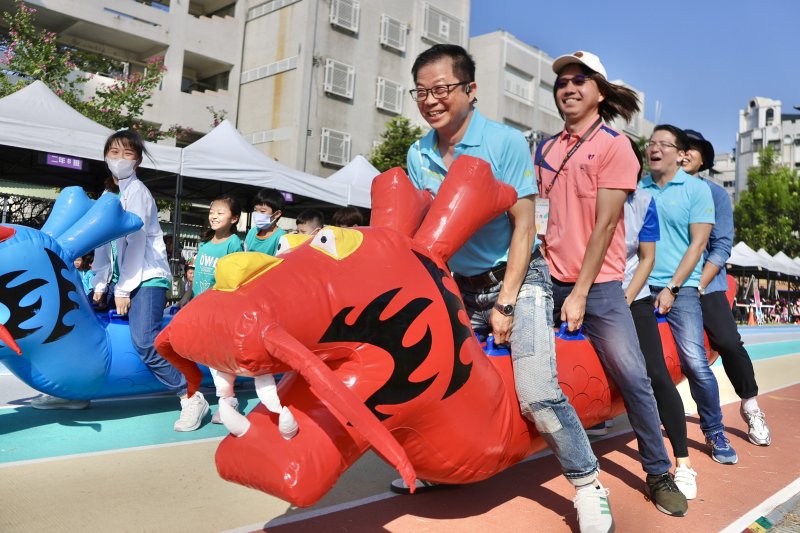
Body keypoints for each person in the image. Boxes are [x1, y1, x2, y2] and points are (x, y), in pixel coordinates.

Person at [396, 43, 615, 533]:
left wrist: (508, 302)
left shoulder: (505, 143)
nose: (431, 100)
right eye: (422, 92)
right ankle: (440, 468)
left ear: (470, 91)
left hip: (516, 278)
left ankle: (587, 484)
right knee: (433, 382)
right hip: (456, 285)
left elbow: (523, 228)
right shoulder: (417, 153)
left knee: (538, 392)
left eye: (442, 89)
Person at [537, 51, 686, 517]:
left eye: (580, 79)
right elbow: (539, 218)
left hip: (597, 285)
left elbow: (604, 227)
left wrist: (579, 292)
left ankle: (659, 471)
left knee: (635, 377)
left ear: (600, 91)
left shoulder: (616, 146)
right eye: (562, 80)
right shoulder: (544, 148)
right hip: (544, 278)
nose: (568, 87)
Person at [33, 130, 206, 431]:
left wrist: (124, 289)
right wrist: (100, 286)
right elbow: (103, 247)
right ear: (106, 157)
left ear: (137, 160)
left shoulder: (138, 192)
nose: (119, 159)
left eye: (127, 153)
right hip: (118, 280)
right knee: (74, 322)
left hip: (147, 278)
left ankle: (190, 395)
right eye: (114, 152)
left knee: (144, 341)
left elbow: (136, 244)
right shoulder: (109, 197)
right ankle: (75, 392)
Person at [639, 125, 737, 465]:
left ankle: (714, 430)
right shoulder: (638, 189)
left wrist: (673, 288)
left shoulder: (698, 190)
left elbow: (698, 245)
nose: (654, 148)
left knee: (695, 362)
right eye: (651, 142)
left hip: (679, 289)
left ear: (681, 155)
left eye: (663, 144)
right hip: (638, 285)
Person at [682, 128, 771, 446]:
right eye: (680, 146)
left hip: (705, 284)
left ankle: (751, 406)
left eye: (692, 148)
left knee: (729, 342)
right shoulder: (658, 191)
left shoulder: (716, 195)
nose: (684, 152)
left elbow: (721, 247)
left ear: (703, 158)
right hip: (660, 281)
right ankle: (607, 410)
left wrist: (699, 283)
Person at [621, 138, 697, 499]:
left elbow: (646, 259)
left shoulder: (642, 202)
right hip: (584, 291)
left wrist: (625, 296)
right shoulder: (584, 199)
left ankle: (682, 462)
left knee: (655, 373)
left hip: (631, 293)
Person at [191, 194, 244, 425]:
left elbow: (236, 277)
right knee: (210, 359)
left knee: (218, 360)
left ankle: (228, 400)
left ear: (234, 219)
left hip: (220, 312)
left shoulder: (234, 243)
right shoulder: (204, 244)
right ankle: (224, 398)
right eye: (212, 212)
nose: (214, 216)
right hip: (201, 309)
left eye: (220, 213)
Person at [243, 188, 286, 256]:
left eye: (262, 211)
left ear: (276, 214)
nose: (257, 214)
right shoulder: (252, 231)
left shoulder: (282, 237)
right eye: (255, 210)